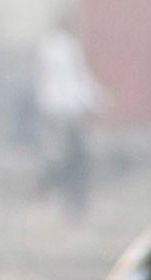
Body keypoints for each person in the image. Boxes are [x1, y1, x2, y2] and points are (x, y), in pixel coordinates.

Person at [30, 21, 105, 214]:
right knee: (72, 158)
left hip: (53, 109)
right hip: (67, 113)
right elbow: (75, 81)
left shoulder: (47, 46)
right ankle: (67, 197)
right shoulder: (67, 47)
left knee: (58, 155)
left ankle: (55, 192)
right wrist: (96, 102)